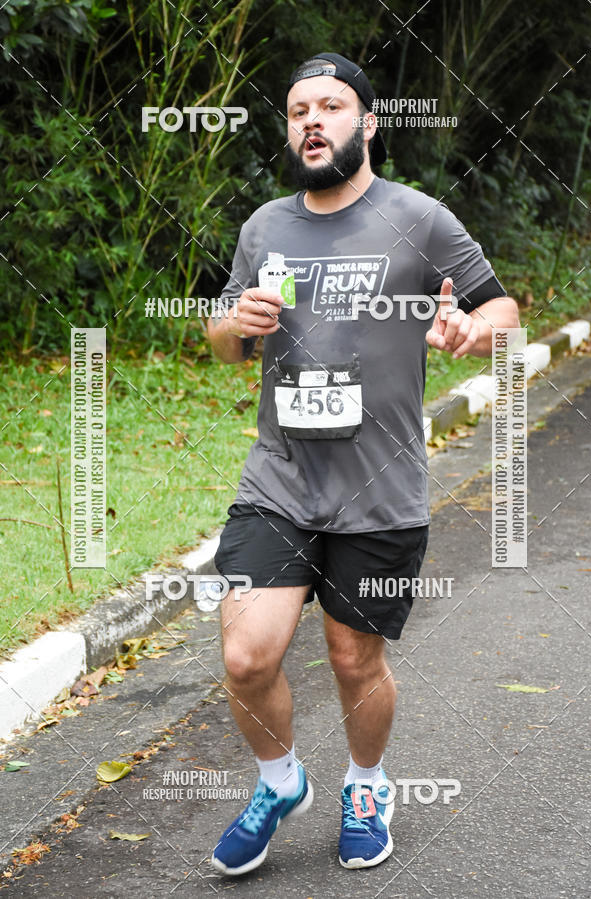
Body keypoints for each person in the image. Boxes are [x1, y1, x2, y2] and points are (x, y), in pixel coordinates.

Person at [207, 52, 519, 876]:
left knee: (354, 659)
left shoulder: (418, 219)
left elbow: (503, 307)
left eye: (332, 105)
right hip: (281, 480)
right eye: (299, 108)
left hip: (379, 489)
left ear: (367, 122)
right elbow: (226, 344)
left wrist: (470, 331)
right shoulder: (265, 227)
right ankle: (280, 780)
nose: (313, 120)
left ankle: (368, 784)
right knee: (246, 654)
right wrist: (232, 319)